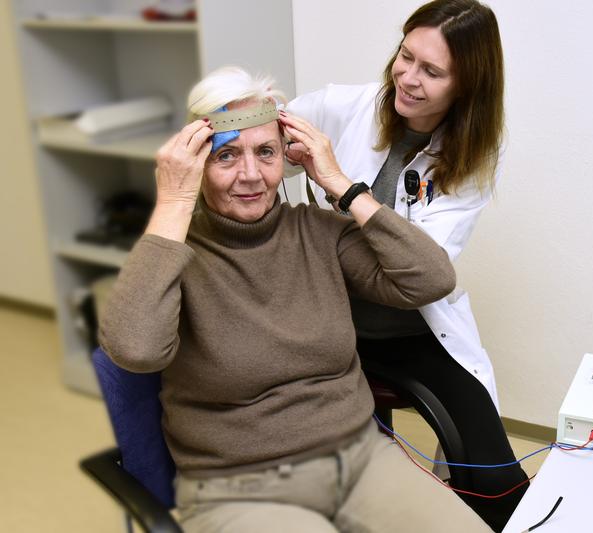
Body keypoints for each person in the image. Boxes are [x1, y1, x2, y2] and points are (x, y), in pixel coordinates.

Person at [98, 66, 492, 533]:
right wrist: (173, 201)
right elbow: (135, 350)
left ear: (286, 156)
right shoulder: (171, 257)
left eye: (265, 152)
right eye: (226, 156)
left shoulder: (319, 233)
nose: (250, 175)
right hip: (238, 488)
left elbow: (430, 279)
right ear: (196, 162)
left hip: (362, 463)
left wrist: (343, 186)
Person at [286, 0, 527, 529]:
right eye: (405, 56)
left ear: (466, 86)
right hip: (330, 325)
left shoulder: (476, 152)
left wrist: (342, 187)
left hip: (413, 326)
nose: (408, 79)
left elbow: (422, 272)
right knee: (359, 485)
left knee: (494, 477)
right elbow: (270, 125)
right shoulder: (347, 106)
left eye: (432, 71)